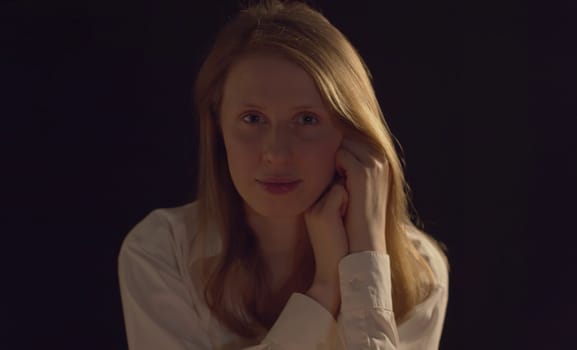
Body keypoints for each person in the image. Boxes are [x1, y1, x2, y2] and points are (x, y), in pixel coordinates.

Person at [118, 0, 449, 349]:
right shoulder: (161, 253)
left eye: (306, 119)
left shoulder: (420, 274)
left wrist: (365, 258)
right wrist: (323, 292)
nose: (276, 154)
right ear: (218, 127)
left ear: (350, 133)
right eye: (253, 119)